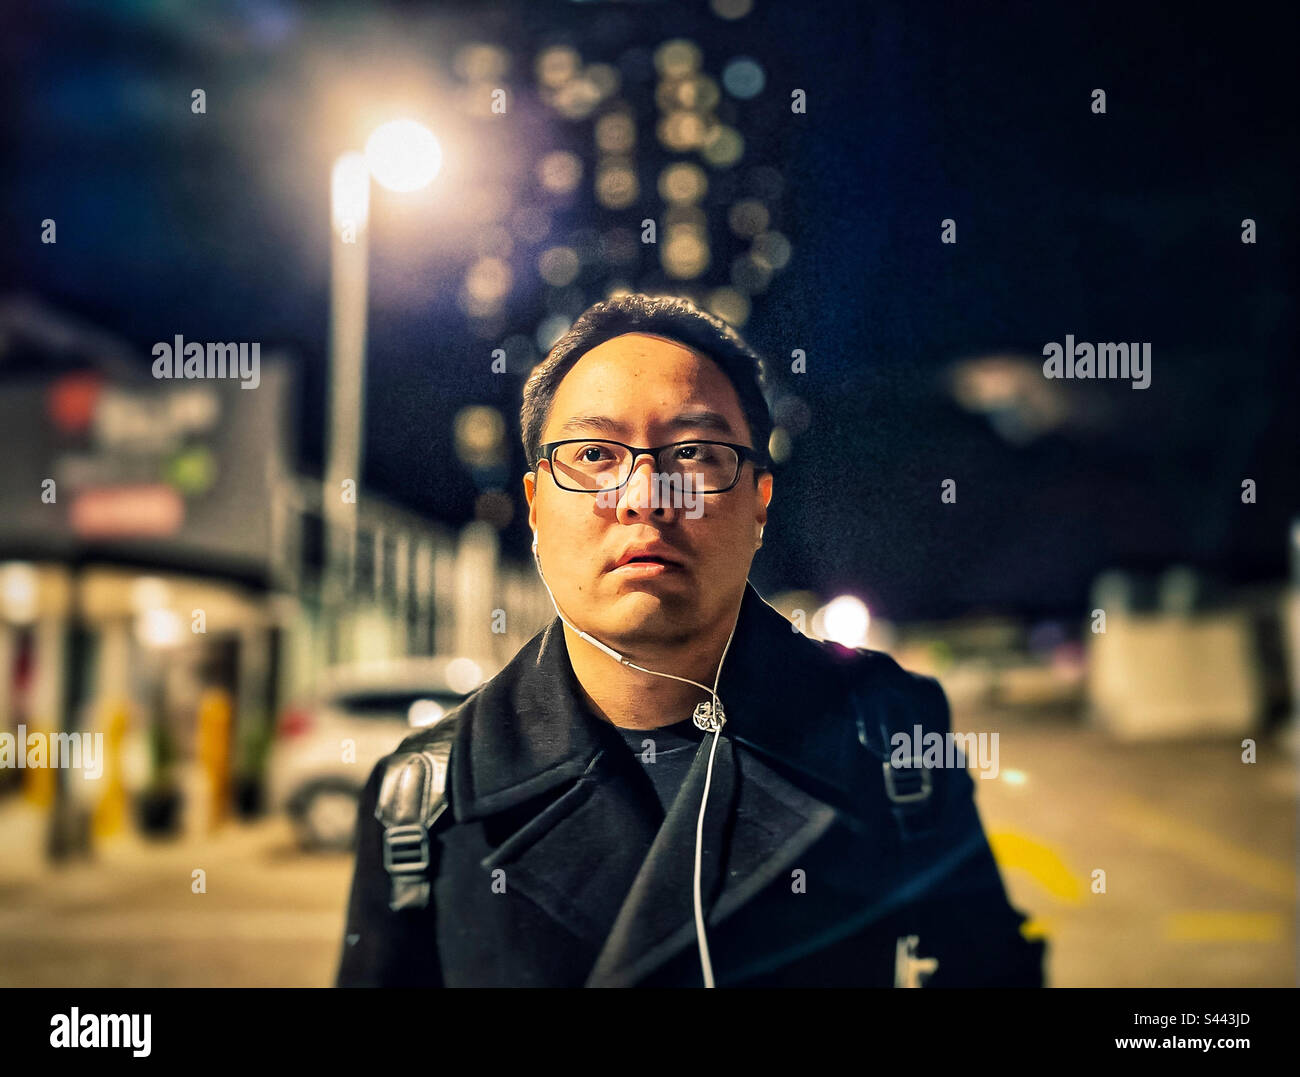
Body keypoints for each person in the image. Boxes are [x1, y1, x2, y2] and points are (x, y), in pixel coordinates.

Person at [336, 293, 1046, 988]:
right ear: (534, 506)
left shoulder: (884, 735)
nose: (645, 495)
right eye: (592, 453)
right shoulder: (424, 798)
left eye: (696, 453)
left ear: (760, 502)